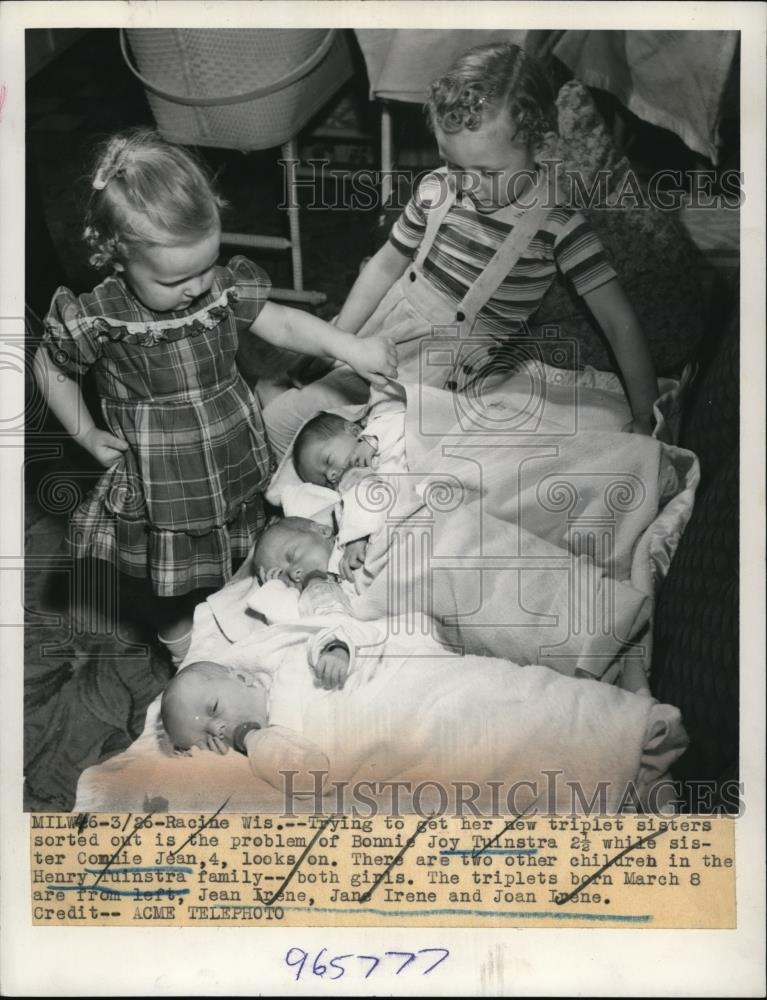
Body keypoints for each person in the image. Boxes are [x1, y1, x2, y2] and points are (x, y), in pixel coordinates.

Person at [33, 128, 397, 665]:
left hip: (229, 453)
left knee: (239, 549)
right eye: (177, 278)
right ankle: (184, 646)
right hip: (162, 479)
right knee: (170, 579)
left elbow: (285, 325)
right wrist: (84, 432)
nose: (199, 286)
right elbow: (51, 363)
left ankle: (241, 615)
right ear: (116, 257)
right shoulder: (100, 314)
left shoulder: (222, 287)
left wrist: (350, 345)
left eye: (208, 265)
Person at [262, 40, 658, 456]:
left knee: (308, 430)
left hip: (436, 371)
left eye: (487, 171)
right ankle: (287, 391)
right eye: (454, 165)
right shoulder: (435, 189)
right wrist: (338, 339)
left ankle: (290, 409)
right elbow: (384, 268)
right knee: (293, 380)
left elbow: (619, 322)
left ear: (539, 144)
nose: (467, 184)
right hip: (380, 327)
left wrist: (645, 415)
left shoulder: (558, 226)